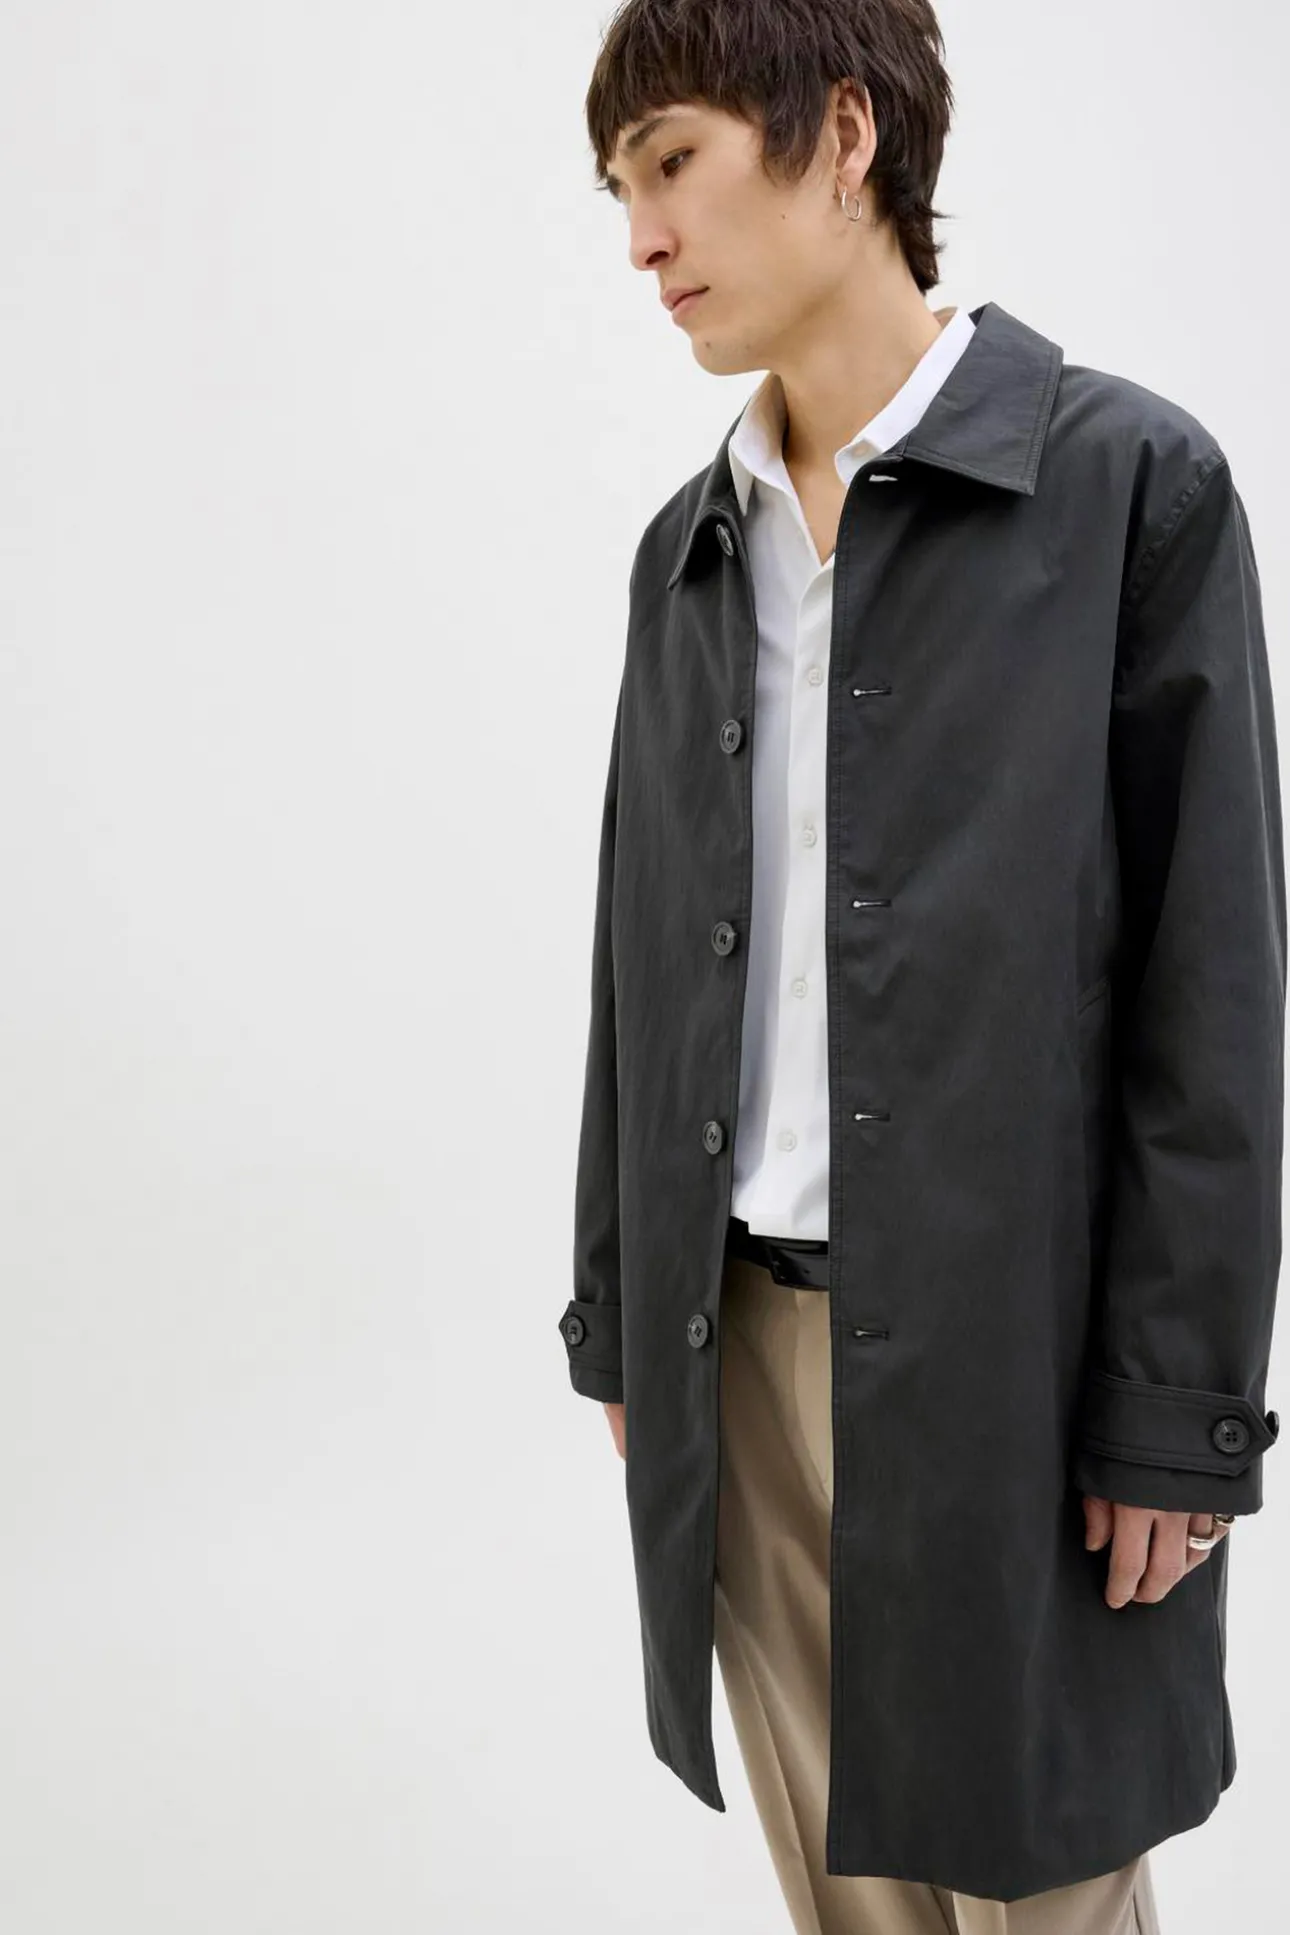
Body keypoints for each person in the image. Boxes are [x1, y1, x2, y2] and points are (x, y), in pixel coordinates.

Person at [559, 3, 1285, 1931]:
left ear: (843, 133)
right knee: (846, 1907)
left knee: (1048, 1892)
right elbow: (639, 957)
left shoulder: (1125, 487)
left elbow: (1213, 1000)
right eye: (618, 188)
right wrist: (621, 1309)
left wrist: (1175, 1409)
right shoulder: (690, 551)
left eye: (672, 160)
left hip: (1014, 1361)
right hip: (736, 1348)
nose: (640, 237)